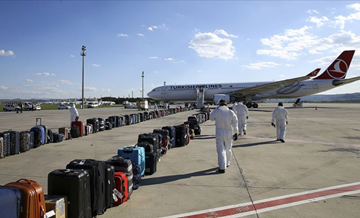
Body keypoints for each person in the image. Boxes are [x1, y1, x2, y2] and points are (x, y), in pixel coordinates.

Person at [210, 99, 239, 173]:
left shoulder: (217, 111)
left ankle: (222, 167)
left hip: (219, 131)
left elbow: (211, 118)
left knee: (221, 150)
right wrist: (236, 132)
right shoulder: (230, 112)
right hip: (228, 131)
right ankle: (227, 163)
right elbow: (235, 122)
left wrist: (216, 109)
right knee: (228, 148)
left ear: (219, 104)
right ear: (226, 104)